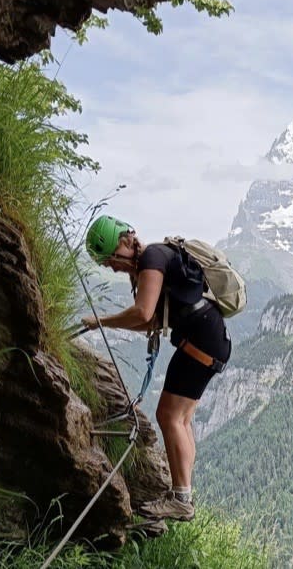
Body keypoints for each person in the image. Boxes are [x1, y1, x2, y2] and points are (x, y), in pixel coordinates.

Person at [81, 215, 232, 521]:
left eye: (111, 260)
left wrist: (101, 321)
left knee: (169, 415)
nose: (111, 267)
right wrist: (108, 324)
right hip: (208, 337)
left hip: (200, 339)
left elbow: (142, 311)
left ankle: (180, 498)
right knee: (183, 419)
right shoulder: (154, 260)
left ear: (126, 243)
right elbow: (150, 321)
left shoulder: (152, 256)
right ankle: (183, 493)